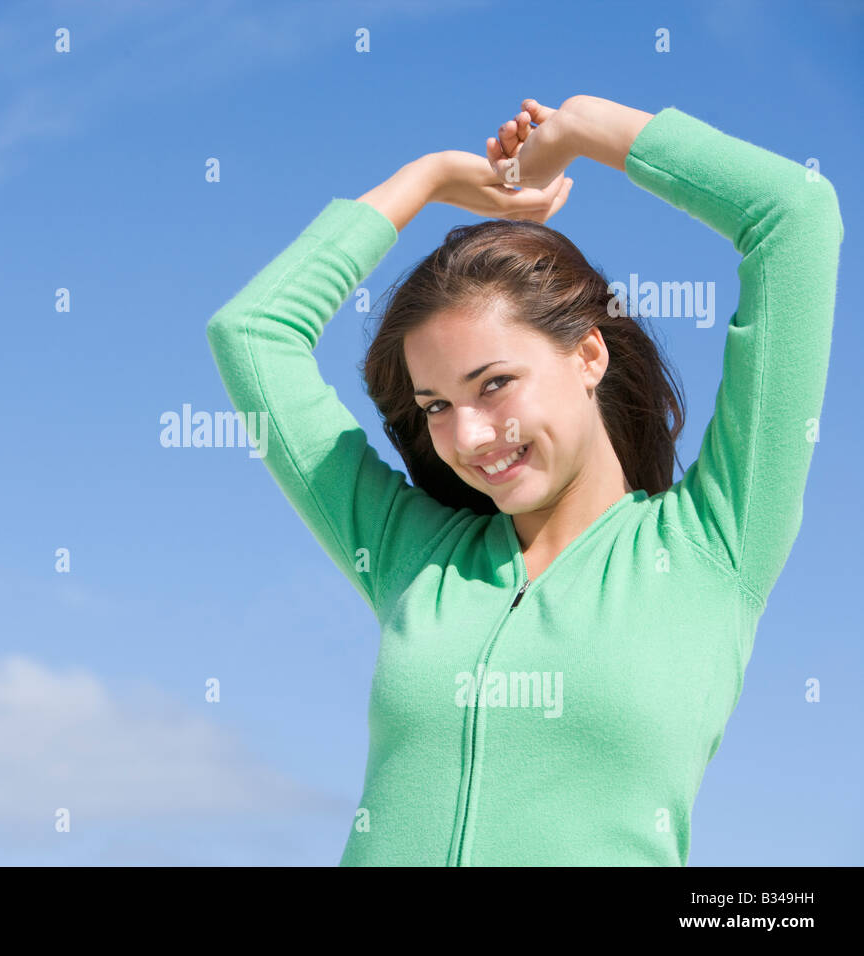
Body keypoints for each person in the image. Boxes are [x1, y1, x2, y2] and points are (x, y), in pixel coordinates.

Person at [204, 96, 843, 866]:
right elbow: (251, 333)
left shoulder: (713, 545)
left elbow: (795, 218)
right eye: (436, 404)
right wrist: (431, 177)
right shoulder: (413, 555)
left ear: (589, 358)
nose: (467, 437)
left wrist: (581, 128)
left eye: (496, 383)